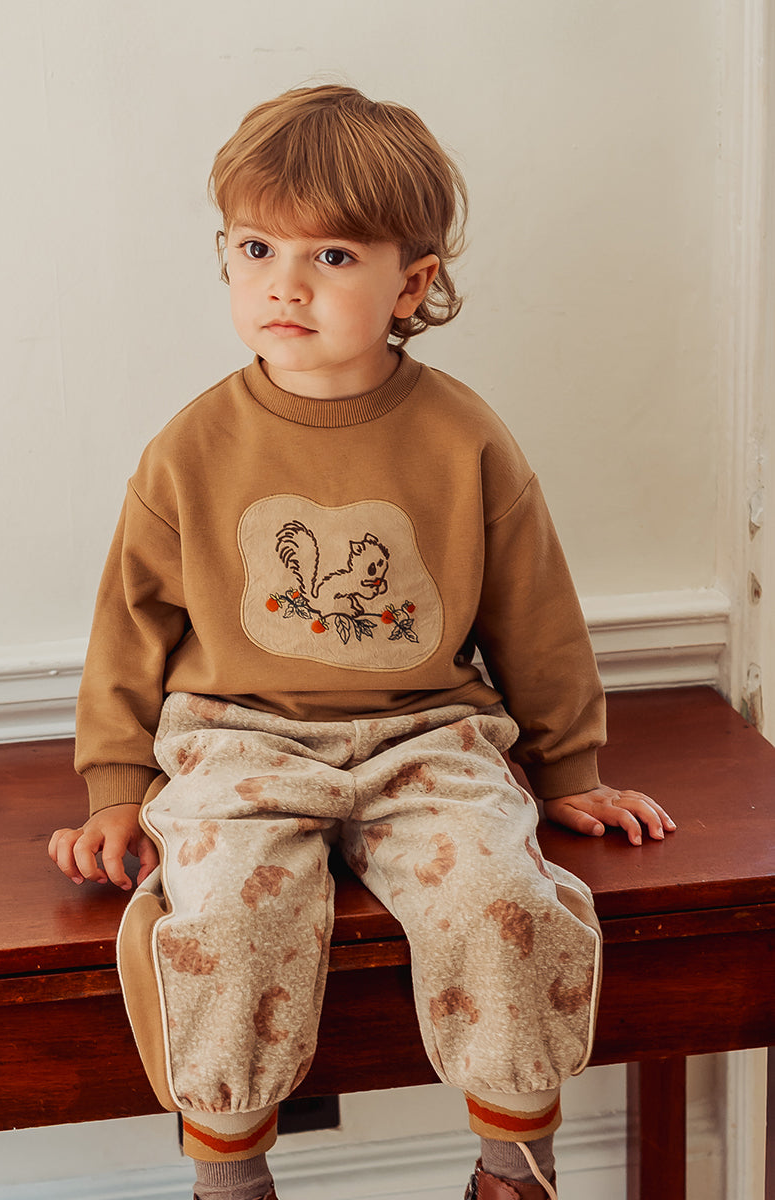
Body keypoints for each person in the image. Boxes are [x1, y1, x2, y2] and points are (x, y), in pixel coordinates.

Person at [49, 85, 675, 1200]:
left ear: (412, 283)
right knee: (228, 918)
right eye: (256, 248)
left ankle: (514, 1169)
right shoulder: (191, 448)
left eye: (332, 255)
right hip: (238, 741)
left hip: (427, 738)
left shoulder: (463, 438)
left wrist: (569, 768)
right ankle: (231, 1179)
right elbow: (131, 622)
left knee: (500, 901)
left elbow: (534, 612)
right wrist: (114, 786)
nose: (283, 284)